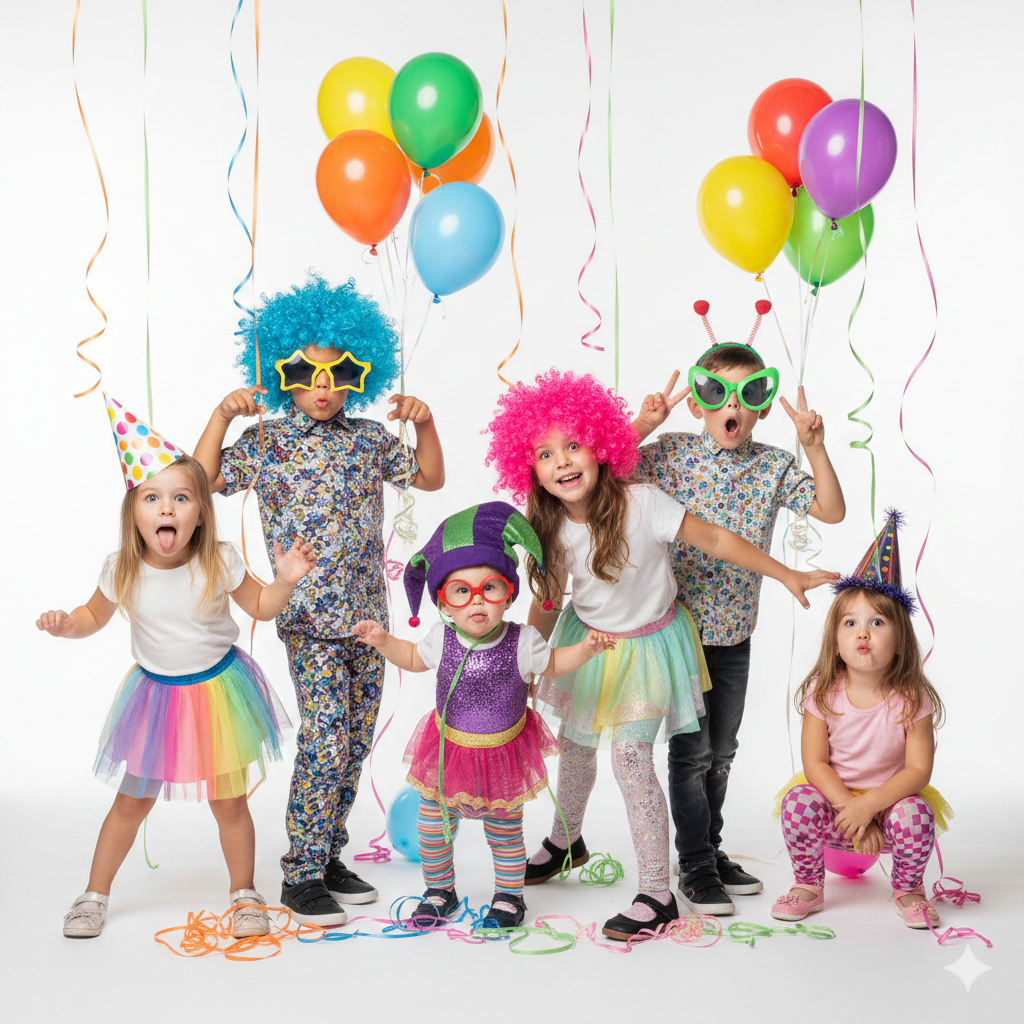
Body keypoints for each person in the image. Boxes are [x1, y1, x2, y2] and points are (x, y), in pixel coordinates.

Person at [485, 368, 836, 941]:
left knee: (630, 762)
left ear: (601, 447)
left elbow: (716, 539)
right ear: (529, 468)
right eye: (545, 454)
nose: (563, 462)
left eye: (574, 445)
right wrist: (527, 658)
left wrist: (784, 573)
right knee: (574, 749)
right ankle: (566, 840)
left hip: (649, 650)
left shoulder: (642, 502)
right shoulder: (546, 524)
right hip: (587, 644)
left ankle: (656, 891)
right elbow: (548, 601)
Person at [193, 274, 445, 925]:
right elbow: (202, 480)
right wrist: (222, 416)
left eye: (340, 373)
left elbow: (428, 476)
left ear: (360, 375)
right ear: (283, 378)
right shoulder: (267, 443)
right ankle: (300, 872)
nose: (323, 387)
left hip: (368, 624)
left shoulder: (369, 439)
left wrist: (426, 422)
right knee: (326, 741)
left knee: (354, 745)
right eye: (306, 374)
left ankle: (329, 853)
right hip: (308, 621)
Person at [39, 396, 311, 940]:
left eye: (181, 498)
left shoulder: (219, 559)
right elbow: (93, 615)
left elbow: (261, 607)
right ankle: (94, 894)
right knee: (130, 802)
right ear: (133, 513)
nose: (167, 509)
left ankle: (244, 893)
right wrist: (69, 624)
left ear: (201, 512)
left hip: (219, 693)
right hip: (155, 698)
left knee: (229, 804)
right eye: (153, 498)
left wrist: (284, 581)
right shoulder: (122, 568)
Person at [632, 299, 846, 915]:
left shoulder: (775, 466)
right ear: (697, 403)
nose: (733, 406)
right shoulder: (669, 453)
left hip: (735, 636)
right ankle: (695, 864)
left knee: (721, 753)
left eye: (748, 394)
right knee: (690, 753)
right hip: (677, 633)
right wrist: (642, 424)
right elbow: (597, 468)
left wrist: (815, 447)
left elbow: (830, 511)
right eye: (716, 393)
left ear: (761, 405)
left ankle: (708, 847)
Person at [353, 502, 615, 928]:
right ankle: (439, 891)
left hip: (501, 755)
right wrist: (384, 641)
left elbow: (552, 664)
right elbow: (413, 658)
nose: (477, 600)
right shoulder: (441, 637)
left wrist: (584, 650)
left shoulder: (523, 640)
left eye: (489, 588)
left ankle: (510, 896)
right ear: (445, 604)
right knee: (432, 829)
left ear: (508, 594)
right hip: (448, 752)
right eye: (461, 591)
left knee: (505, 834)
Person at [771, 510, 949, 929]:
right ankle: (808, 884)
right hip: (837, 807)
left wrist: (870, 806)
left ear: (900, 639)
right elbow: (815, 763)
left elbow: (918, 771)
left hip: (886, 808)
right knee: (797, 802)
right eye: (850, 623)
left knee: (916, 814)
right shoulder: (822, 691)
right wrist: (851, 808)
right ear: (836, 641)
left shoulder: (911, 698)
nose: (862, 633)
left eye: (877, 622)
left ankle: (909, 889)